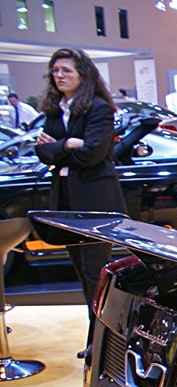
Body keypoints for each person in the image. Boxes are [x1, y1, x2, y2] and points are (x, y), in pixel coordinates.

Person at [34, 48, 127, 356]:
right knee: (83, 276)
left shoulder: (98, 108)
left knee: (96, 273)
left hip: (94, 201)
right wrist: (68, 144)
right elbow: (42, 152)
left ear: (82, 75)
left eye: (66, 71)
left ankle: (104, 344)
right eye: (55, 71)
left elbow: (92, 155)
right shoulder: (54, 111)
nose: (59, 76)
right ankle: (94, 342)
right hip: (66, 202)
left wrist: (58, 149)